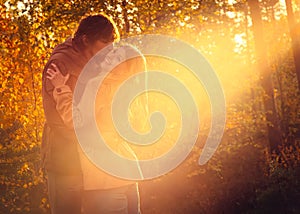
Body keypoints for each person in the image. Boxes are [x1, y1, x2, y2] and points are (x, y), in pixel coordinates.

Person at [46, 45, 148, 213]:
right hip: (128, 174)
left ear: (124, 68)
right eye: (115, 51)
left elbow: (74, 121)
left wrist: (60, 89)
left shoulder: (99, 84)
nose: (110, 55)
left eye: (117, 58)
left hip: (105, 179)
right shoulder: (130, 91)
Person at [41, 14, 119, 214]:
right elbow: (69, 119)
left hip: (91, 161)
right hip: (66, 161)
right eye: (104, 41)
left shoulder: (92, 60)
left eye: (112, 41)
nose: (110, 47)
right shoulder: (61, 64)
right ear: (86, 40)